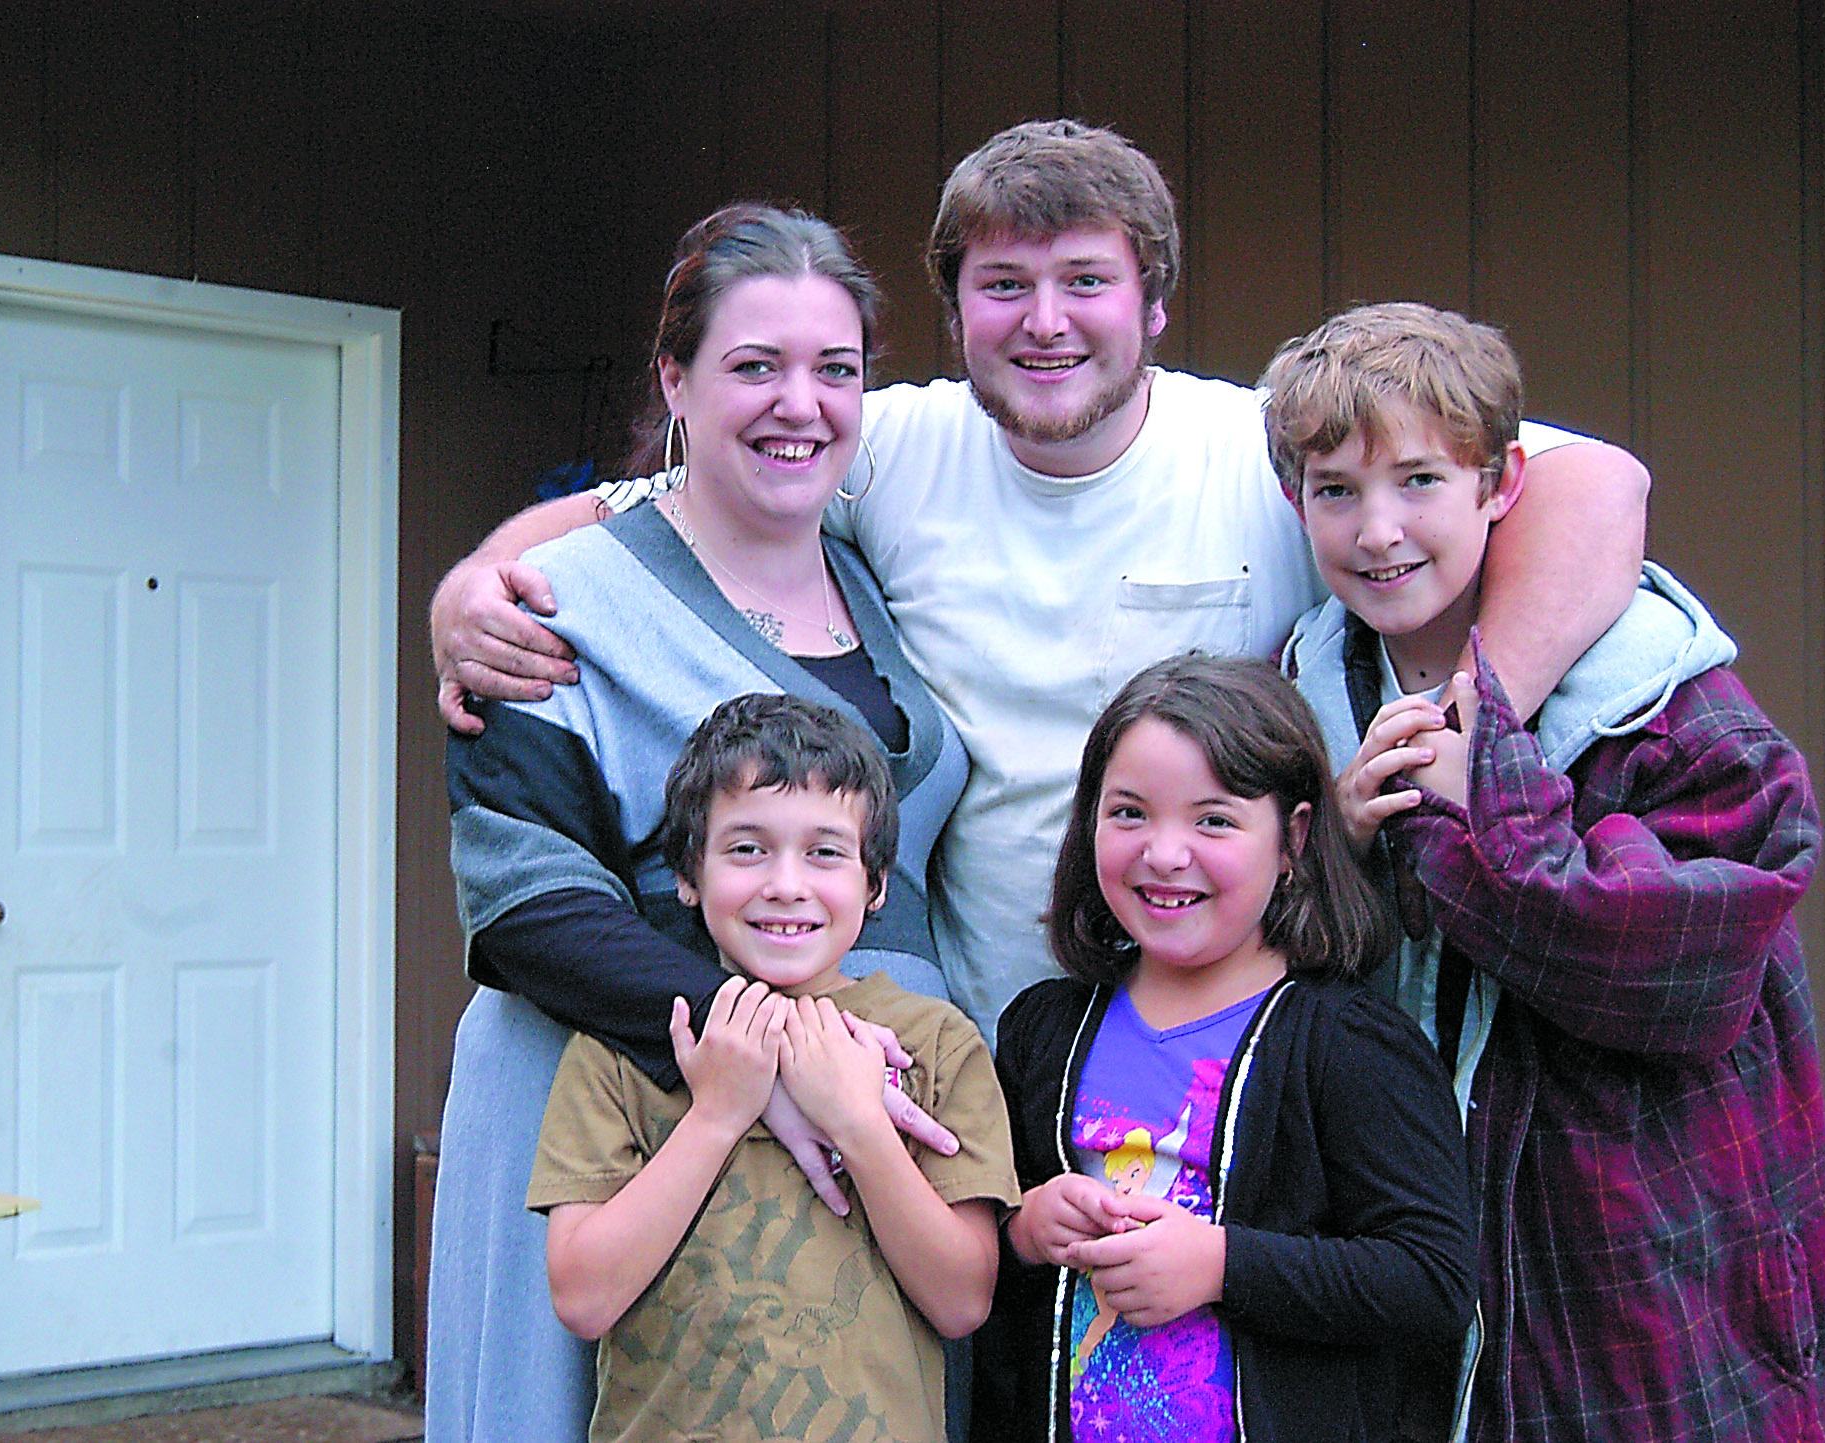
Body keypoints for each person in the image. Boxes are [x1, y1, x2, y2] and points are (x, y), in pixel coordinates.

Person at [429, 119, 1651, 1041]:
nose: (1044, 322)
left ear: (1156, 302)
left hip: (1233, 1040)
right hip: (979, 1043)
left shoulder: (1270, 449)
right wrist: (473, 586)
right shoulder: (889, 443)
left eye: (1085, 281)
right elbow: (661, 499)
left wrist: (1473, 724)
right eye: (1003, 287)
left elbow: (1595, 484)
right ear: (955, 317)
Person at [1268, 301, 1825, 1443]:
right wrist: (1334, 851)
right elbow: (1255, 964)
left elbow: (1680, 969)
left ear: (1500, 485)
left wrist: (1462, 808)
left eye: (1419, 483)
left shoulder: (1669, 704)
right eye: (1335, 492)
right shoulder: (1298, 702)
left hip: (1651, 1272)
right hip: (1413, 1278)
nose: (1379, 528)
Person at [426, 204, 971, 1443]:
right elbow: (525, 902)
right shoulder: (557, 606)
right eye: (754, 366)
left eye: (837, 370)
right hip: (602, 1100)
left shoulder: (869, 576)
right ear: (675, 380)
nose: (802, 402)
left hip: (862, 1113)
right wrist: (772, 1051)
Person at [976, 654, 1475, 1442]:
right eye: (1129, 812)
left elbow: (1433, 1279)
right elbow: (968, 1263)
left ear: (1292, 838)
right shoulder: (1042, 1032)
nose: (1165, 853)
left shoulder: (1349, 1045)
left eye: (1213, 819)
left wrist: (1220, 1264)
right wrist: (1023, 1230)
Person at [529, 693, 1019, 1442]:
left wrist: (857, 1120)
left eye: (824, 851)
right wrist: (716, 1114)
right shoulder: (622, 1049)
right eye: (747, 848)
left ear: (875, 883)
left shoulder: (933, 1041)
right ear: (688, 875)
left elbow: (961, 1301)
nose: (785, 882)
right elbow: (584, 1297)